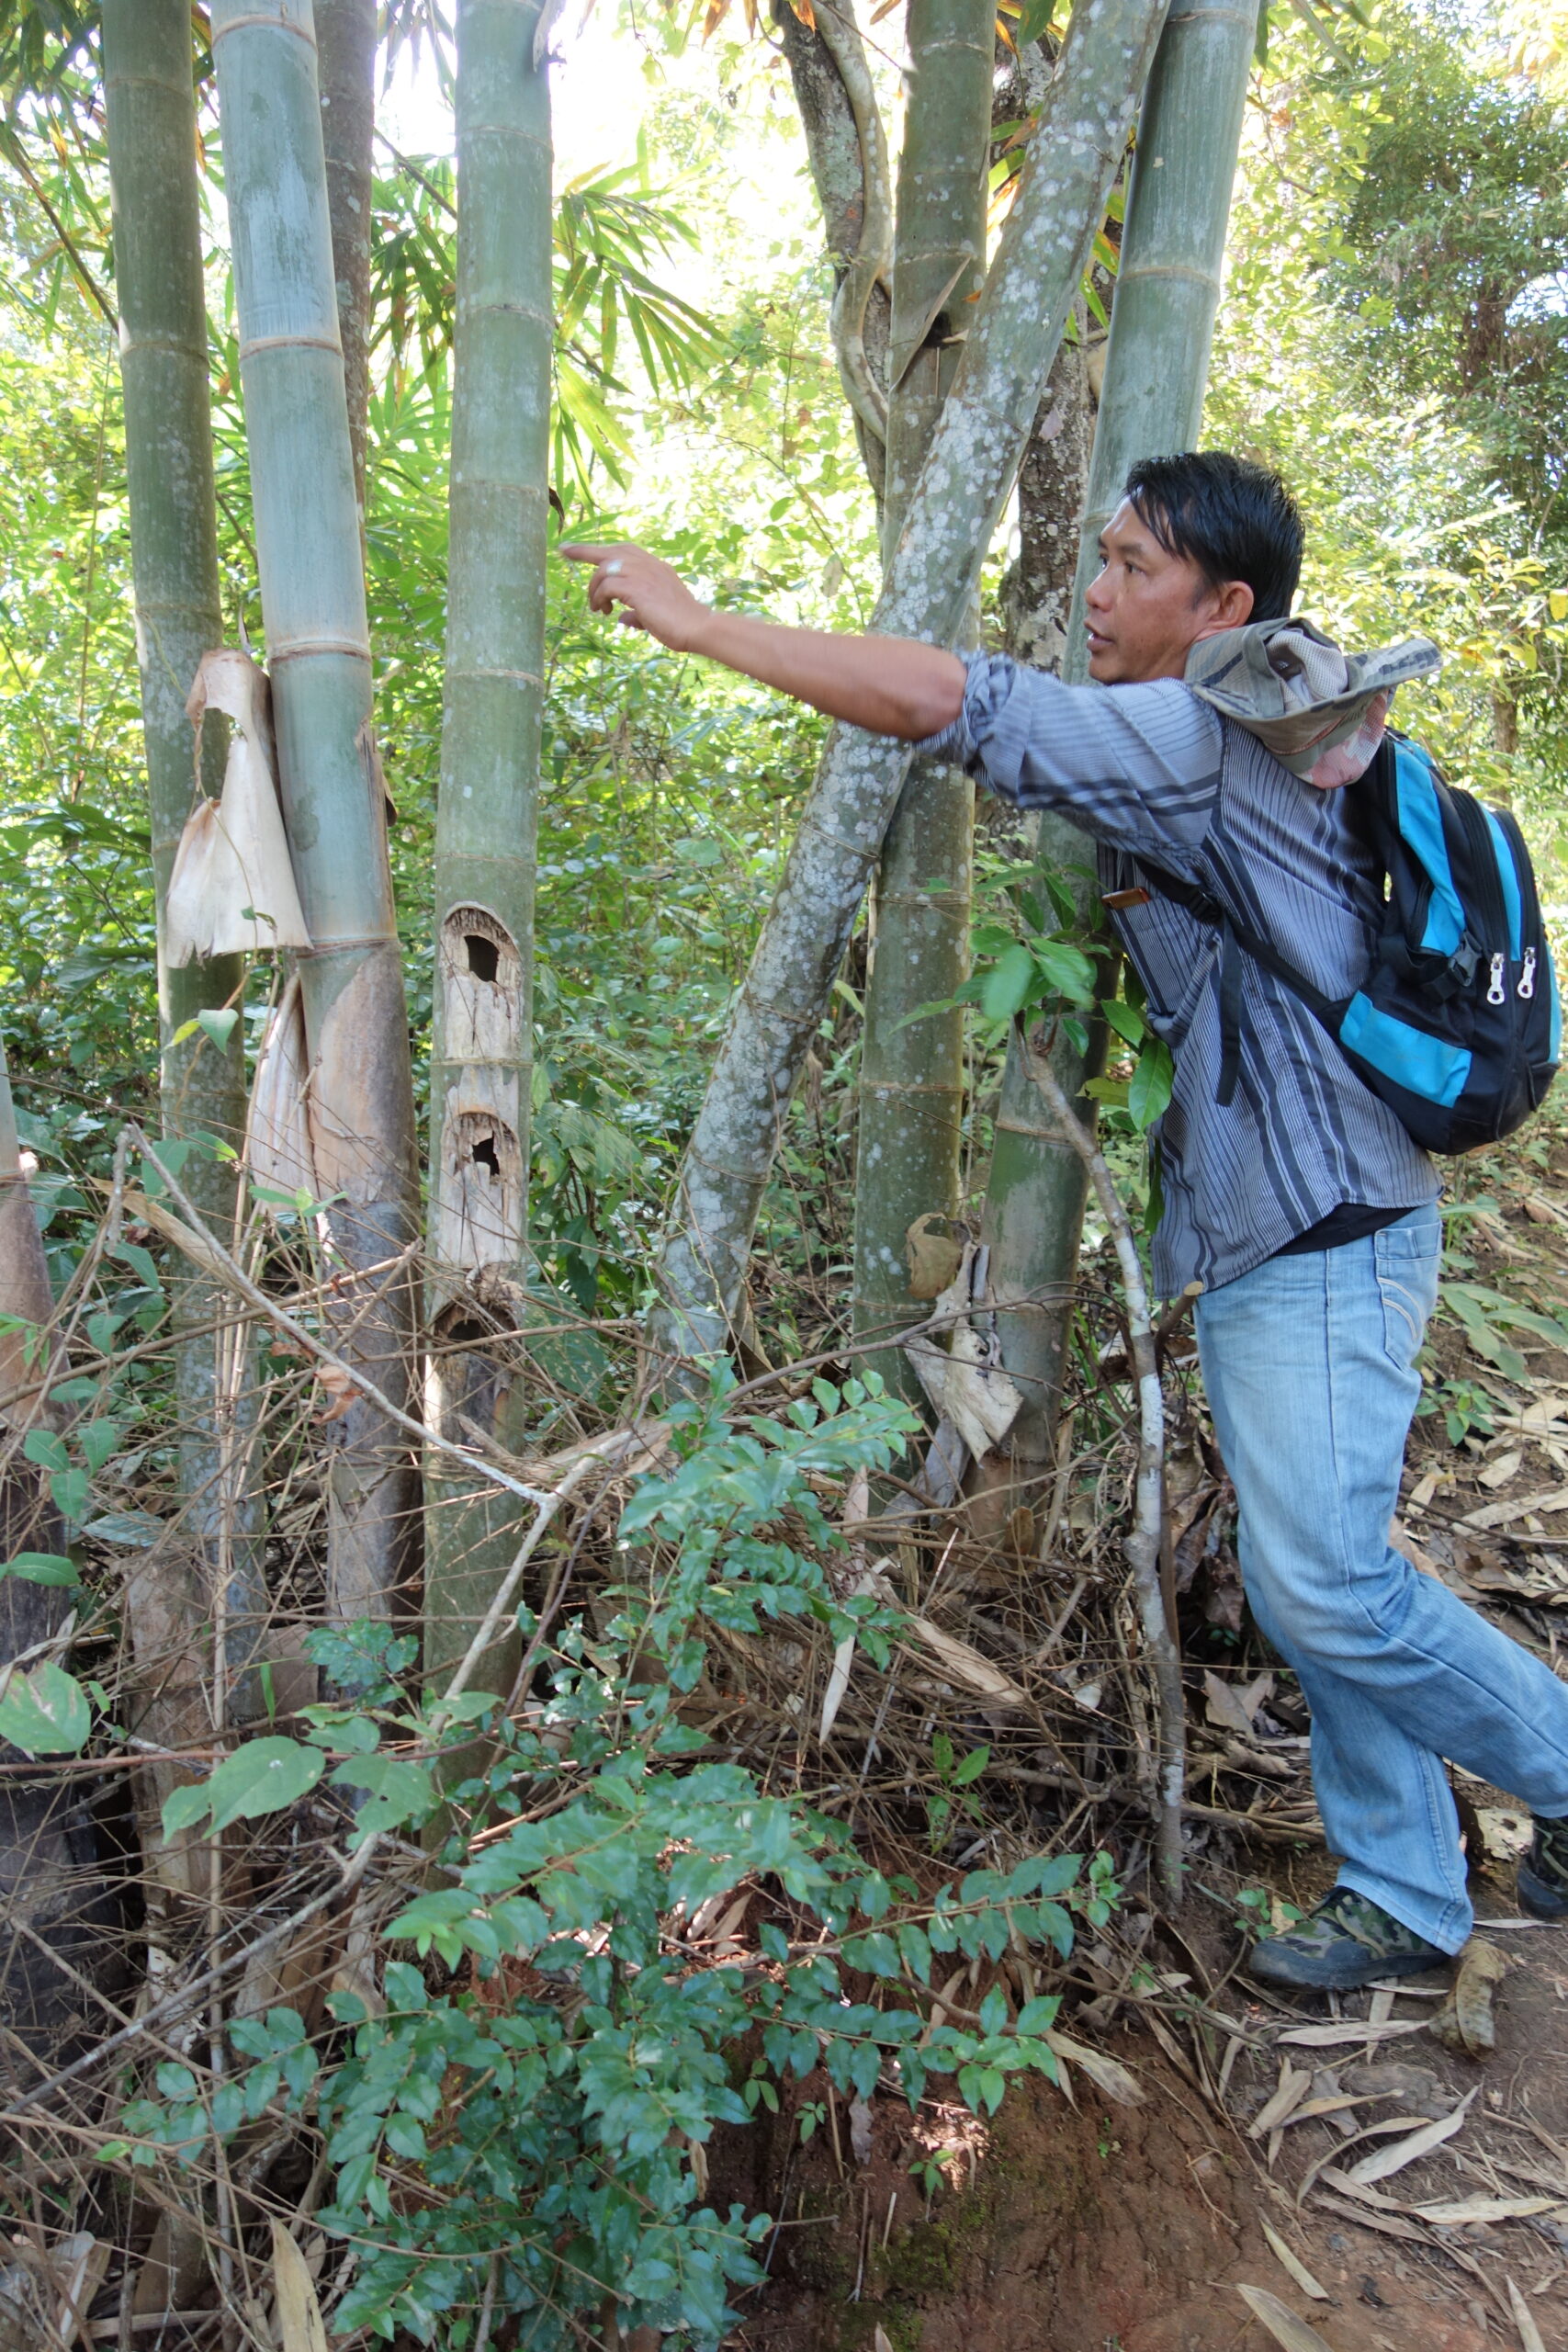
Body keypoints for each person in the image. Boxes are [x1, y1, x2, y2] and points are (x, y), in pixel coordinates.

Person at [562, 450, 1568, 1989]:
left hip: (1329, 1228)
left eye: (1133, 569)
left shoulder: (1204, 733)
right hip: (1269, 1230)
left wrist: (704, 625)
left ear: (1225, 607)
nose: (1096, 594)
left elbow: (952, 702)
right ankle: (1406, 1893)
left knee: (1330, 1588)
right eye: (1095, 559)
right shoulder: (1254, 731)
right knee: (1323, 1576)